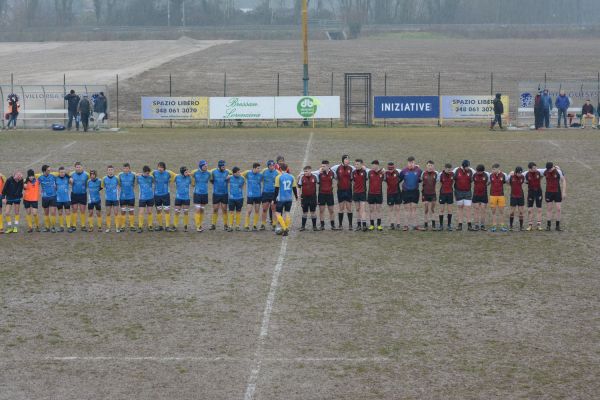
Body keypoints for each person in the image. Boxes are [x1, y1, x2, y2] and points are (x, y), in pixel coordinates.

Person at [273, 163, 298, 236]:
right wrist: (296, 197)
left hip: (281, 199)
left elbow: (276, 189)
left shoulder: (278, 177)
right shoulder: (292, 177)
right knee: (287, 213)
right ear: (287, 169)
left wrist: (274, 199)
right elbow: (294, 188)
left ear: (280, 169)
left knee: (277, 213)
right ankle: (286, 227)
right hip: (289, 198)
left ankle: (284, 228)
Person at [399, 156, 423, 231]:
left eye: (412, 163)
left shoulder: (419, 170)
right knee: (407, 209)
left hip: (415, 192)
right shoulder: (403, 171)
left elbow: (421, 179)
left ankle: (415, 225)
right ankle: (406, 225)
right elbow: (398, 180)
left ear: (414, 163)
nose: (411, 164)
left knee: (414, 209)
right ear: (407, 163)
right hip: (405, 192)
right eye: (409, 163)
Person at [331, 155, 354, 230]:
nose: (348, 161)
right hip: (340, 190)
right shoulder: (336, 167)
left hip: (348, 190)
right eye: (346, 159)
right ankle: (340, 225)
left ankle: (350, 225)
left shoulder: (351, 168)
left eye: (348, 159)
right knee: (341, 208)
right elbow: (329, 170)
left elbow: (362, 169)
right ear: (343, 160)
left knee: (349, 208)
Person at [152, 162, 176, 232]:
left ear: (164, 168)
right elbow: (147, 175)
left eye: (162, 167)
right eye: (159, 167)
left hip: (166, 194)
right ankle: (160, 226)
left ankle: (167, 226)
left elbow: (176, 176)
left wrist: (170, 180)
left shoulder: (168, 173)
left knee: (166, 210)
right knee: (158, 210)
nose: (160, 168)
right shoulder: (154, 172)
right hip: (157, 195)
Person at [544, 162, 566, 231]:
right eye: (548, 169)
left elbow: (564, 181)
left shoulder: (558, 171)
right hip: (548, 192)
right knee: (549, 209)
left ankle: (557, 226)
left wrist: (564, 192)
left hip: (557, 192)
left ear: (553, 167)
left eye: (550, 169)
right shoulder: (545, 171)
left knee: (558, 209)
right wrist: (513, 172)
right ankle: (548, 226)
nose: (549, 170)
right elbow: (534, 170)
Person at [453, 160, 475, 231]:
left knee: (468, 208)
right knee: (460, 207)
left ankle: (469, 225)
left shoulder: (471, 171)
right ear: (463, 166)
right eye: (467, 166)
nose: (468, 168)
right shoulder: (456, 170)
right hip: (458, 192)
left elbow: (478, 174)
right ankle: (460, 225)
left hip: (467, 192)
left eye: (469, 166)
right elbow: (450, 177)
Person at [210, 160, 231, 231]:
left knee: (224, 209)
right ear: (219, 166)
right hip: (216, 194)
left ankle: (225, 225)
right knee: (215, 209)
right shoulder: (213, 172)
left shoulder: (228, 172)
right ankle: (213, 224)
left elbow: (233, 176)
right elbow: (211, 180)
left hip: (224, 193)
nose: (224, 167)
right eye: (223, 166)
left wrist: (229, 177)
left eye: (224, 166)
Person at [37, 165, 58, 233]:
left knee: (53, 212)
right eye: (48, 170)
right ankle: (47, 227)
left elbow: (63, 175)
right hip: (45, 197)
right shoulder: (40, 177)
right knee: (46, 213)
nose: (49, 171)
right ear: (44, 171)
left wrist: (56, 187)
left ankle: (53, 227)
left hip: (53, 196)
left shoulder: (53, 176)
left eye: (50, 170)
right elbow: (33, 182)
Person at [242, 163, 263, 231]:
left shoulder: (260, 175)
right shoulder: (247, 173)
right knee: (249, 210)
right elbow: (240, 175)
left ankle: (254, 225)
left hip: (258, 195)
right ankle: (246, 225)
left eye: (259, 168)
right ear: (254, 168)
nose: (259, 169)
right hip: (250, 195)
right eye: (258, 168)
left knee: (257, 210)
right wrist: (243, 182)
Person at [297, 165, 319, 231]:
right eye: (304, 171)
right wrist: (298, 195)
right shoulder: (302, 177)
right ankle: (303, 226)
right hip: (304, 198)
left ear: (310, 170)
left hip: (313, 197)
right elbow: (298, 187)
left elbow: (320, 184)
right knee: (305, 212)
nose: (305, 172)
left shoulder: (315, 177)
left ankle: (314, 227)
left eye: (306, 171)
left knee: (313, 212)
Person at [317, 161, 337, 230]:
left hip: (329, 194)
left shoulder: (332, 173)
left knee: (331, 210)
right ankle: (322, 225)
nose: (322, 168)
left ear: (328, 166)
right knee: (321, 210)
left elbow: (338, 178)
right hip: (321, 194)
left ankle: (333, 225)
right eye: (322, 166)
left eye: (324, 166)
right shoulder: (319, 173)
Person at [69, 161, 89, 232]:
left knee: (82, 210)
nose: (78, 168)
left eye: (79, 167)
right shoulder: (71, 174)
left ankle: (83, 226)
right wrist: (70, 181)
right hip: (74, 194)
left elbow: (90, 181)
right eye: (77, 167)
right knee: (74, 210)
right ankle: (74, 225)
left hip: (83, 194)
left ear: (82, 167)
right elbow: (68, 180)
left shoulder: (87, 174)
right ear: (75, 168)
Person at [260, 160, 280, 231]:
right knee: (264, 209)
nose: (272, 167)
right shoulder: (264, 171)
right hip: (265, 193)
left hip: (273, 193)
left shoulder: (277, 172)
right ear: (268, 166)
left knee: (273, 209)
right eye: (270, 166)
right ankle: (263, 224)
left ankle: (274, 224)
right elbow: (259, 178)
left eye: (273, 165)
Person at [524, 162, 544, 231]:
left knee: (539, 209)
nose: (535, 169)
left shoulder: (539, 172)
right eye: (534, 168)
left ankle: (539, 225)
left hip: (538, 192)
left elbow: (545, 170)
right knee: (530, 210)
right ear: (529, 169)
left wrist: (556, 167)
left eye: (536, 167)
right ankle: (530, 225)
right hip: (531, 192)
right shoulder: (526, 174)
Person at [191, 161, 210, 232]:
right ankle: (198, 226)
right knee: (197, 210)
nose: (206, 167)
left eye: (206, 166)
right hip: (197, 193)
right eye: (204, 166)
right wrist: (193, 183)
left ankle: (200, 224)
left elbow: (212, 180)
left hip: (205, 194)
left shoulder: (209, 173)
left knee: (202, 210)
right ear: (201, 166)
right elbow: (189, 176)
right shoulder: (195, 172)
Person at [489, 163, 508, 232]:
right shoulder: (490, 175)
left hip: (501, 195)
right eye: (492, 169)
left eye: (494, 169)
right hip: (492, 195)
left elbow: (508, 182)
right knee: (493, 212)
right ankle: (494, 226)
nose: (492, 170)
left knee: (501, 212)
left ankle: (502, 226)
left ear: (498, 169)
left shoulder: (503, 175)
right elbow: (487, 183)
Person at [351, 159, 368, 231]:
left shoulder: (365, 172)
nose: (356, 166)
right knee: (357, 209)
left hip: (362, 193)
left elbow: (370, 172)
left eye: (358, 164)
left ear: (361, 164)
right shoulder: (353, 172)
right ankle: (358, 225)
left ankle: (364, 225)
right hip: (355, 193)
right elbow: (353, 182)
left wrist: (365, 168)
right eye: (355, 164)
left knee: (363, 209)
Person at [118, 163, 137, 231]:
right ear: (123, 169)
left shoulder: (133, 175)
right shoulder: (120, 175)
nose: (126, 170)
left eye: (127, 168)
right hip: (122, 197)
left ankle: (132, 226)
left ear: (129, 169)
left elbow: (135, 183)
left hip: (131, 196)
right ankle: (122, 226)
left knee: (131, 211)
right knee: (123, 211)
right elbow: (119, 184)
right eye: (124, 168)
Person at [137, 166, 155, 233]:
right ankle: (140, 226)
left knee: (150, 212)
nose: (148, 174)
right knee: (141, 212)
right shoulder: (138, 178)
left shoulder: (151, 177)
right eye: (146, 173)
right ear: (143, 172)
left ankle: (150, 225)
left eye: (148, 173)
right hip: (142, 198)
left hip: (150, 197)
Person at [384, 162, 402, 230]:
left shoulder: (398, 172)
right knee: (390, 209)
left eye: (392, 168)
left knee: (397, 209)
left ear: (394, 167)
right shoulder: (385, 173)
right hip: (389, 193)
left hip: (397, 193)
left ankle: (398, 223)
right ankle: (392, 223)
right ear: (387, 168)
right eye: (389, 168)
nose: (390, 170)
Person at [367, 160, 384, 231]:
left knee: (378, 210)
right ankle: (372, 225)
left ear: (377, 165)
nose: (372, 167)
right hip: (371, 194)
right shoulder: (370, 172)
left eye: (373, 165)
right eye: (372, 165)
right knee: (371, 210)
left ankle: (379, 225)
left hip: (379, 194)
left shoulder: (382, 172)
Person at [471, 164, 489, 231]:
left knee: (483, 210)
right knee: (476, 210)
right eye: (477, 171)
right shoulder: (474, 175)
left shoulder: (486, 175)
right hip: (476, 195)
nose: (478, 172)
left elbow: (489, 182)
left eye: (479, 171)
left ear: (482, 171)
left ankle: (482, 225)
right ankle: (476, 225)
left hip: (484, 195)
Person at [421, 161, 438, 230]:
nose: (430, 167)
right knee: (426, 209)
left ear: (433, 166)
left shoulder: (436, 173)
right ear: (426, 166)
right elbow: (419, 180)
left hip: (433, 194)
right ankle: (425, 225)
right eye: (428, 165)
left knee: (432, 209)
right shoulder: (423, 173)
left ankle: (433, 225)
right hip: (425, 194)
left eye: (431, 165)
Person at [173, 167, 192, 232]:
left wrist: (191, 176)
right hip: (178, 197)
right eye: (186, 172)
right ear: (182, 172)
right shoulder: (177, 177)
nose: (187, 173)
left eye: (187, 171)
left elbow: (193, 184)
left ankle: (185, 226)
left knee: (185, 212)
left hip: (186, 198)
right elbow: (170, 181)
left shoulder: (189, 178)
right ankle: (175, 226)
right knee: (176, 212)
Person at [102, 165, 120, 233]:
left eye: (111, 170)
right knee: (108, 213)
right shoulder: (104, 178)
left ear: (113, 170)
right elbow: (102, 186)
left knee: (116, 213)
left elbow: (119, 185)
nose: (110, 171)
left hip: (115, 198)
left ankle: (117, 228)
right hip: (108, 198)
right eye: (109, 170)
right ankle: (108, 228)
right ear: (107, 171)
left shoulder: (117, 178)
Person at [227, 167, 245, 232]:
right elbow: (226, 180)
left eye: (239, 172)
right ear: (234, 173)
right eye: (238, 172)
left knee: (238, 212)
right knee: (231, 212)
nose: (239, 173)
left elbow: (242, 185)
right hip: (231, 198)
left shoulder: (242, 178)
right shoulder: (230, 178)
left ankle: (237, 226)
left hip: (240, 198)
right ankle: (230, 226)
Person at [438, 163, 455, 231]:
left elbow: (453, 182)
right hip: (443, 194)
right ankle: (441, 225)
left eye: (450, 170)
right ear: (445, 169)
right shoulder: (441, 175)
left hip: (450, 194)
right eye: (448, 170)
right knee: (441, 210)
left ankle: (449, 225)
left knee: (449, 210)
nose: (449, 171)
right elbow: (440, 183)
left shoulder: (453, 174)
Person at [509, 166, 526, 231]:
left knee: (521, 212)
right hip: (513, 196)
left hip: (521, 196)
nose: (520, 174)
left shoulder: (522, 177)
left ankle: (521, 226)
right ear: (515, 172)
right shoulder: (511, 177)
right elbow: (508, 182)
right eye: (518, 173)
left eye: (521, 173)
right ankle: (511, 226)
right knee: (512, 212)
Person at [55, 166, 72, 232]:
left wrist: (70, 178)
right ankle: (61, 226)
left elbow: (72, 183)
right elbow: (55, 187)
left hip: (66, 198)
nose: (62, 173)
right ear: (58, 172)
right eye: (61, 172)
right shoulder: (56, 178)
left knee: (67, 212)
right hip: (59, 199)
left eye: (63, 172)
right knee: (60, 213)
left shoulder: (67, 178)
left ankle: (68, 226)